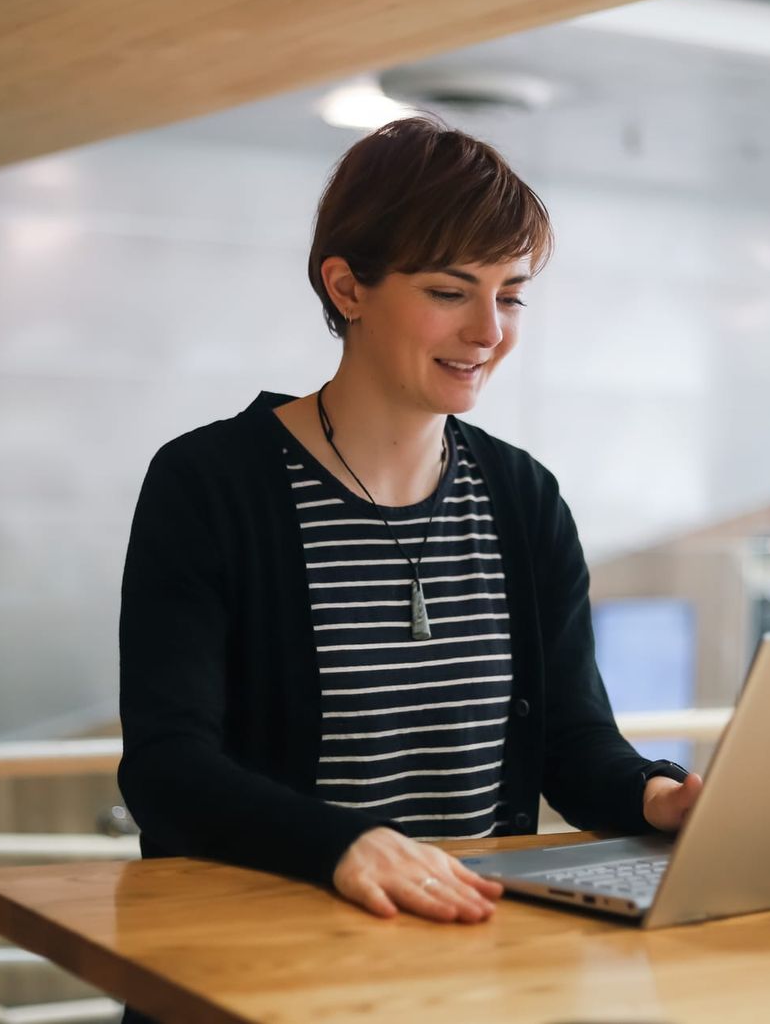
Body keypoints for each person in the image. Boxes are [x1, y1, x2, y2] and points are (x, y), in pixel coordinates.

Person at [117, 115, 704, 949]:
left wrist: (658, 795)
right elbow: (168, 768)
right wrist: (341, 846)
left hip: (479, 954)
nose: (489, 331)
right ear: (347, 287)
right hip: (269, 956)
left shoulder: (524, 497)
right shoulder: (210, 484)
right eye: (449, 291)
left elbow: (571, 743)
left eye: (511, 294)